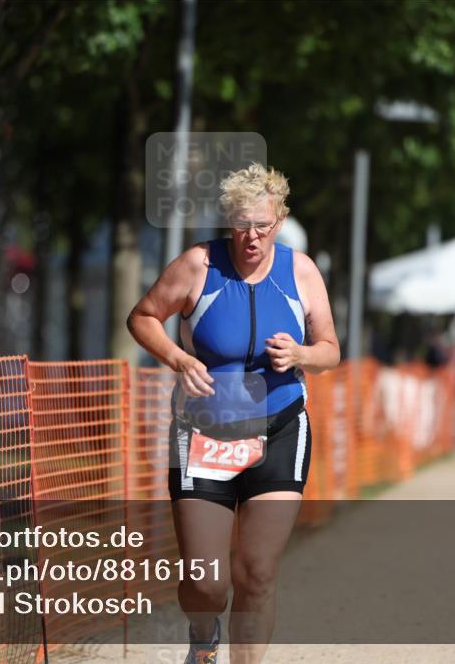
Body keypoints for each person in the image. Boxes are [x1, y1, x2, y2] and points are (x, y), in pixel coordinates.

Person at [127, 163, 339, 664]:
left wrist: (302, 355)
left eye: (263, 225)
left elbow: (330, 347)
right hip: (203, 433)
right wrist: (178, 359)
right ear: (228, 223)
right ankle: (203, 640)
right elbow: (142, 317)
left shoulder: (301, 271)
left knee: (258, 574)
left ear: (279, 221)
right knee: (207, 583)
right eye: (242, 225)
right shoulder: (199, 266)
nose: (252, 236)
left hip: (280, 428)